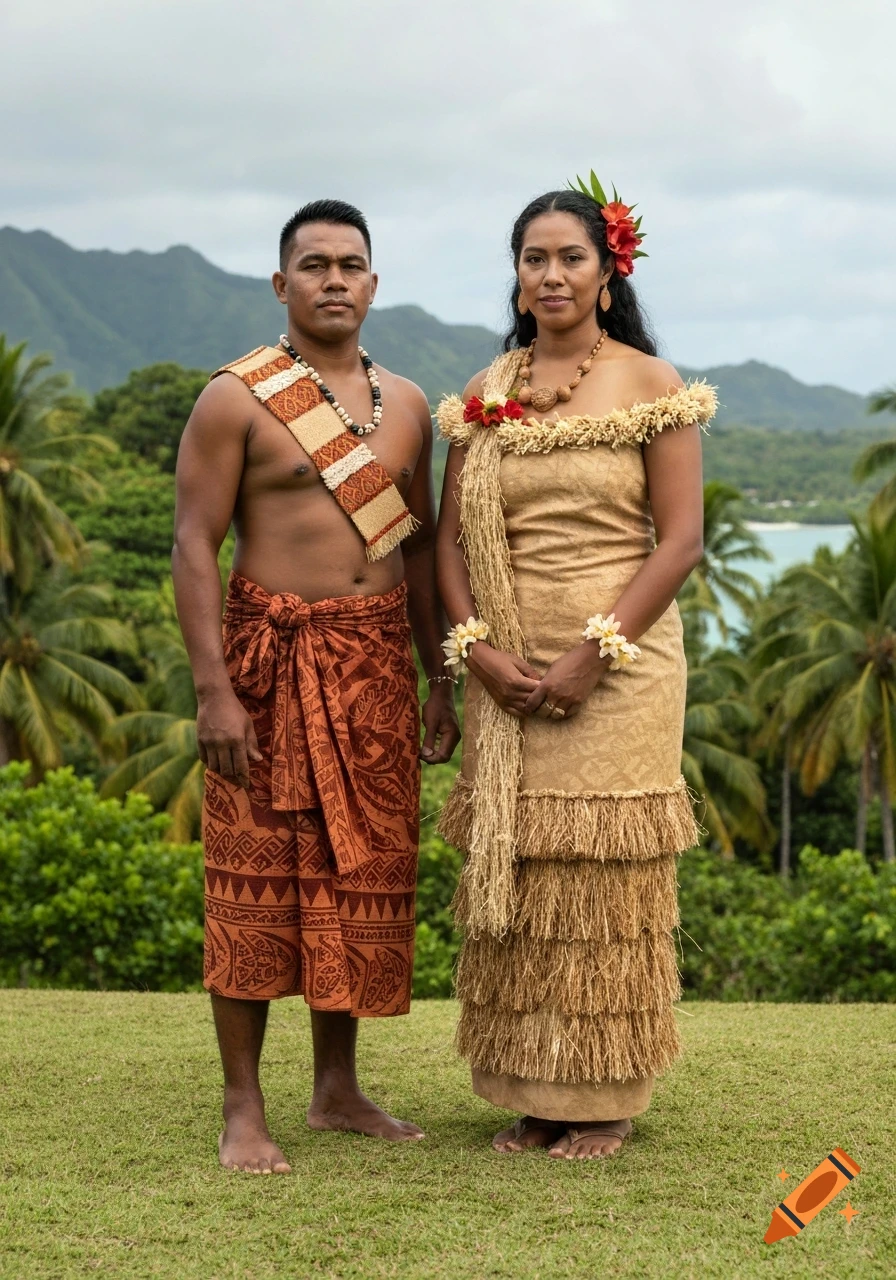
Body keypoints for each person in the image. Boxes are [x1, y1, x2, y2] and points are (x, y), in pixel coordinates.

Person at [173, 198, 459, 1174]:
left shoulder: (411, 406)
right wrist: (213, 688)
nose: (333, 279)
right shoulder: (235, 398)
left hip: (375, 663)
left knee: (358, 874)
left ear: (373, 283)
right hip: (264, 663)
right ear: (280, 283)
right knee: (250, 881)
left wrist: (437, 677)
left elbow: (417, 555)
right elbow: (193, 546)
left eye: (349, 264)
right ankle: (243, 1105)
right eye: (313, 264)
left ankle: (336, 1087)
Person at [435, 181, 715, 1159]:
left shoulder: (647, 381)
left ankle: (601, 1097)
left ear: (606, 272)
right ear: (515, 278)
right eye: (532, 259)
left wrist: (591, 657)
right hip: (506, 664)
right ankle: (531, 1089)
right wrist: (479, 652)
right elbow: (447, 545)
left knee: (601, 877)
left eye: (568, 257)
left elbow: (677, 540)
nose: (549, 274)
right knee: (519, 864)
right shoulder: (484, 390)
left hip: (621, 663)